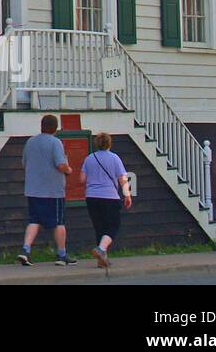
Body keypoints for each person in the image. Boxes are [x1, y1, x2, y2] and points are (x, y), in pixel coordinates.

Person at [18, 114, 76, 266]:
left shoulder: (30, 141)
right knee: (59, 222)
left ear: (41, 126)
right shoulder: (55, 142)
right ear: (55, 128)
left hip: (33, 189)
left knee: (34, 220)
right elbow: (60, 164)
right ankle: (62, 255)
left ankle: (26, 250)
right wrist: (69, 170)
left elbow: (24, 163)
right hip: (53, 190)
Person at [79, 132, 132, 268]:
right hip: (109, 196)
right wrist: (127, 195)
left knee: (100, 227)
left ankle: (102, 260)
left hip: (91, 197)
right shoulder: (114, 158)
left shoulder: (89, 158)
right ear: (109, 143)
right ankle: (101, 250)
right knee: (113, 226)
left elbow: (82, 179)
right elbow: (122, 178)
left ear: (96, 144)